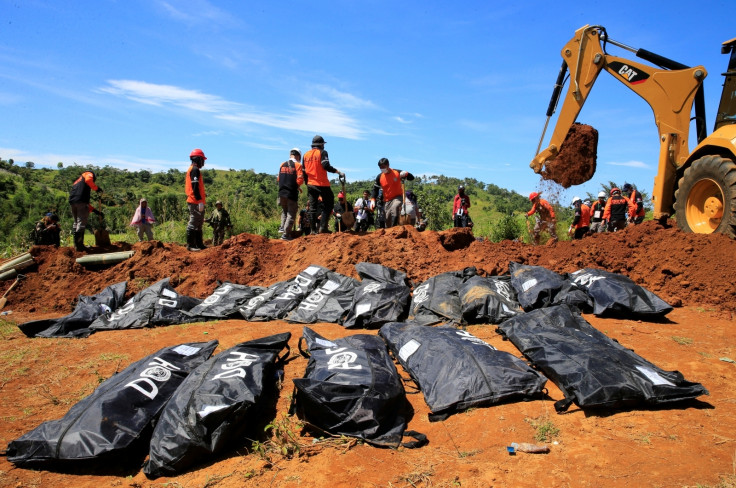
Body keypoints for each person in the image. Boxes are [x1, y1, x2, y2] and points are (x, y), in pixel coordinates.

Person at [303, 135, 345, 234]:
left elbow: (304, 171)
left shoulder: (305, 155)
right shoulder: (322, 152)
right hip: (322, 183)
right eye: (323, 144)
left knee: (312, 207)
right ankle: (323, 227)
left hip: (310, 183)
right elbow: (325, 165)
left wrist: (307, 183)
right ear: (321, 144)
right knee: (329, 203)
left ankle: (313, 231)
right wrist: (337, 172)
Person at [371, 158, 414, 227]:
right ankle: (390, 232)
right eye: (380, 167)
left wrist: (406, 174)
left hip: (398, 197)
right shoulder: (379, 177)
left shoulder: (397, 172)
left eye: (383, 167)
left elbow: (412, 178)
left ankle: (394, 228)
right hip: (387, 200)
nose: (382, 169)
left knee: (395, 207)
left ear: (388, 165)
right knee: (387, 218)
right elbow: (375, 189)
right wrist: (373, 199)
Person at [68, 169, 103, 252]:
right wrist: (96, 188)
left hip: (73, 202)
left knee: (76, 222)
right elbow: (88, 180)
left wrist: (96, 211)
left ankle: (76, 245)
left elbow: (84, 206)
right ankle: (80, 246)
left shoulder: (77, 182)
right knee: (81, 223)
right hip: (81, 201)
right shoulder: (88, 174)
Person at [278, 148, 304, 241]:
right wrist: (297, 186)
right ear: (298, 156)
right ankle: (286, 234)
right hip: (291, 193)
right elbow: (300, 179)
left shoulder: (282, 164)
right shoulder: (298, 165)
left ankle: (282, 227)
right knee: (291, 213)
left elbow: (278, 179)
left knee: (284, 211)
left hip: (281, 193)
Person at [185, 148, 207, 251]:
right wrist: (199, 201)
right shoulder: (194, 170)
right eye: (202, 160)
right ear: (197, 159)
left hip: (197, 201)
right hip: (195, 201)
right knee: (194, 222)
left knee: (199, 222)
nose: (203, 162)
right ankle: (191, 245)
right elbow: (194, 187)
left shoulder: (194, 170)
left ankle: (199, 244)